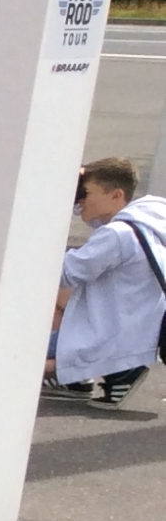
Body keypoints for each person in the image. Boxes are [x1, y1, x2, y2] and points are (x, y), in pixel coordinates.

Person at [43, 156, 166, 407]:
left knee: (15, 357)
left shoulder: (116, 236)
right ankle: (80, 377)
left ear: (116, 195)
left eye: (86, 193)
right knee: (59, 300)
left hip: (112, 334)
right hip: (138, 323)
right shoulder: (150, 216)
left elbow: (61, 273)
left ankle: (111, 371)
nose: (80, 200)